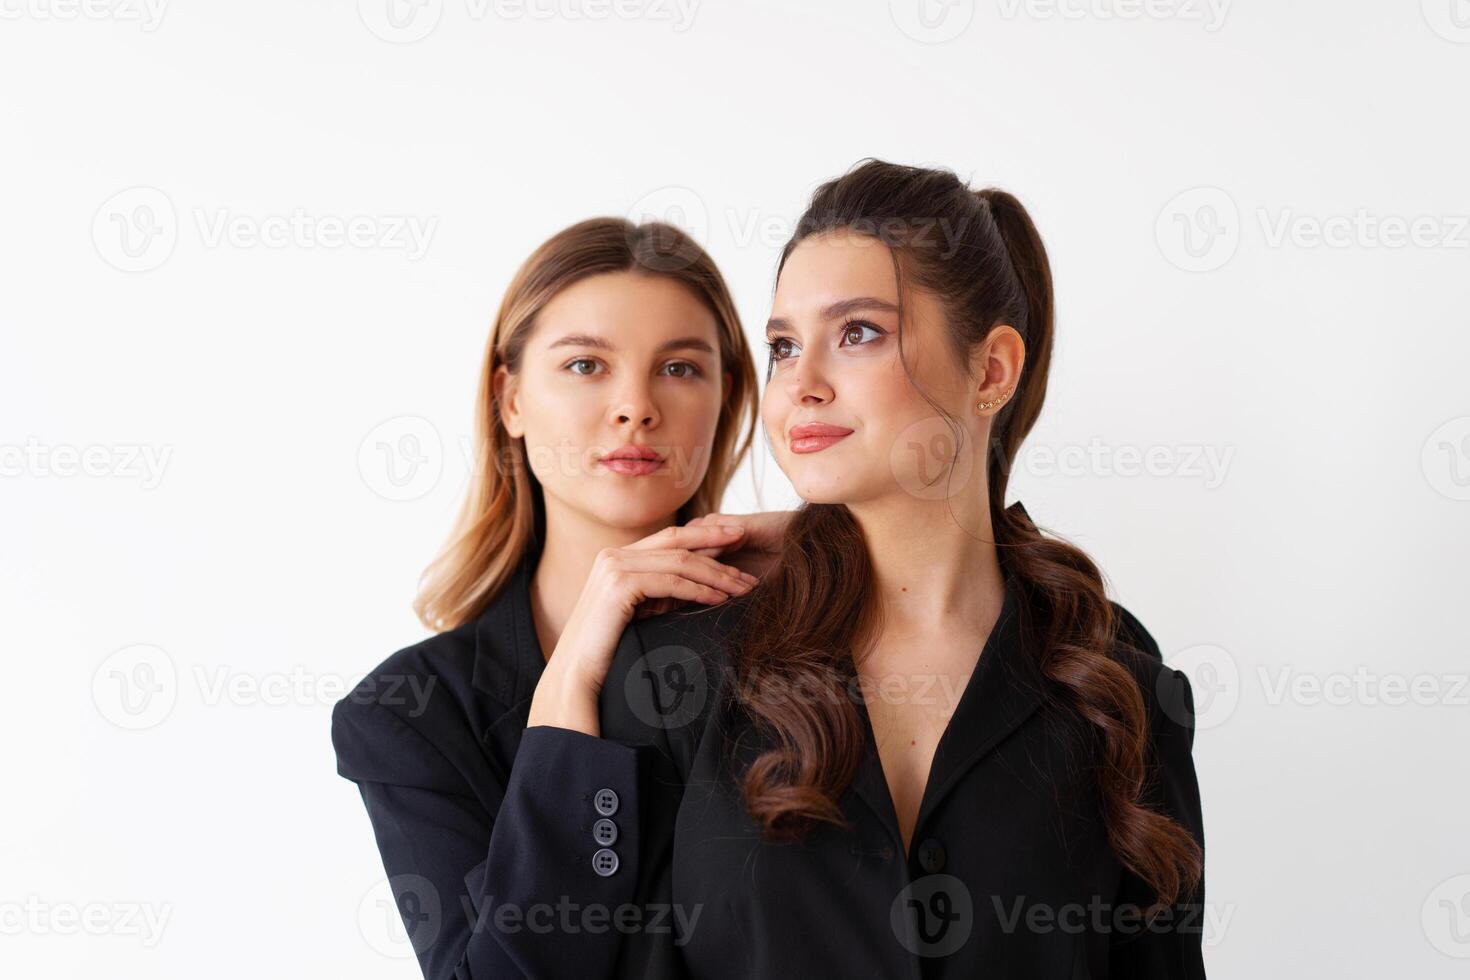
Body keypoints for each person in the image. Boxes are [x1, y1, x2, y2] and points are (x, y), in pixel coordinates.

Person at [506, 160, 1207, 978]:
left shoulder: (1111, 683)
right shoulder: (678, 666)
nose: (801, 385)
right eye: (782, 346)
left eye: (858, 333)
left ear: (991, 371)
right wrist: (566, 693)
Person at [330, 215, 789, 979]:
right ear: (509, 398)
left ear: (728, 400)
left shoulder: (809, 642)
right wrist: (568, 697)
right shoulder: (408, 713)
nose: (636, 406)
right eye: (585, 366)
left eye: (680, 368)